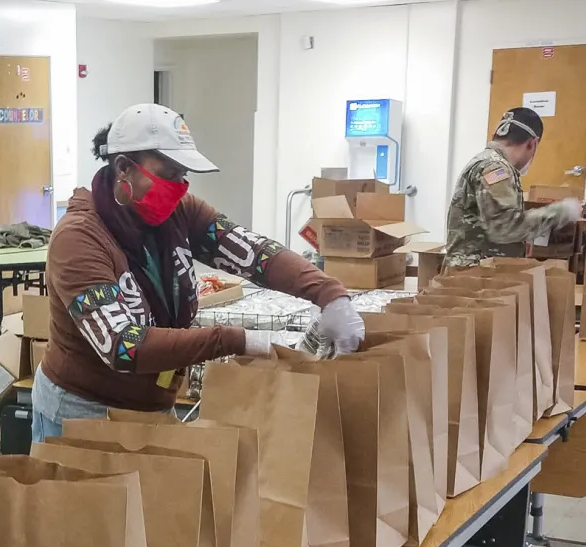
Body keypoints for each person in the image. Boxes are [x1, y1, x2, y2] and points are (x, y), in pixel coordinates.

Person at [33, 103, 364, 440]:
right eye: (169, 174)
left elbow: (253, 252)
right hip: (83, 412)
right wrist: (234, 339)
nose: (179, 187)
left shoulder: (177, 213)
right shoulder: (79, 238)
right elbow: (123, 345)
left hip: (153, 404)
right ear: (124, 168)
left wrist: (329, 294)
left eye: (182, 176)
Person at [445, 107, 584, 269]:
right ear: (532, 143)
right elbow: (504, 227)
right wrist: (561, 212)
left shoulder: (486, 161)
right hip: (476, 277)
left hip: (475, 272)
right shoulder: (496, 168)